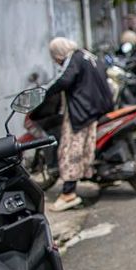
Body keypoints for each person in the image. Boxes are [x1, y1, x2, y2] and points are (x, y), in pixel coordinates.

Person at [44, 37, 113, 211]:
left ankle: (68, 194)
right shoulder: (86, 55)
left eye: (54, 56)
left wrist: (45, 91)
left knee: (70, 151)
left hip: (82, 112)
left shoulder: (73, 58)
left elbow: (64, 80)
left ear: (59, 52)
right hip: (98, 108)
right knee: (85, 149)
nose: (56, 60)